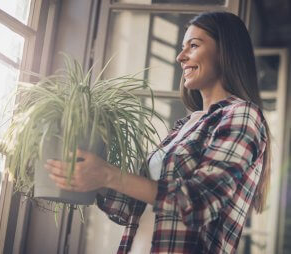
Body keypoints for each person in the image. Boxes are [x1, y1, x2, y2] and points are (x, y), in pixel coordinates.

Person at [45, 11, 271, 254]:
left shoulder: (242, 115)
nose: (180, 57)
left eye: (193, 46)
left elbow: (199, 201)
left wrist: (109, 175)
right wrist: (91, 176)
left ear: (225, 51)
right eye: (182, 47)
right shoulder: (185, 126)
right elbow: (136, 207)